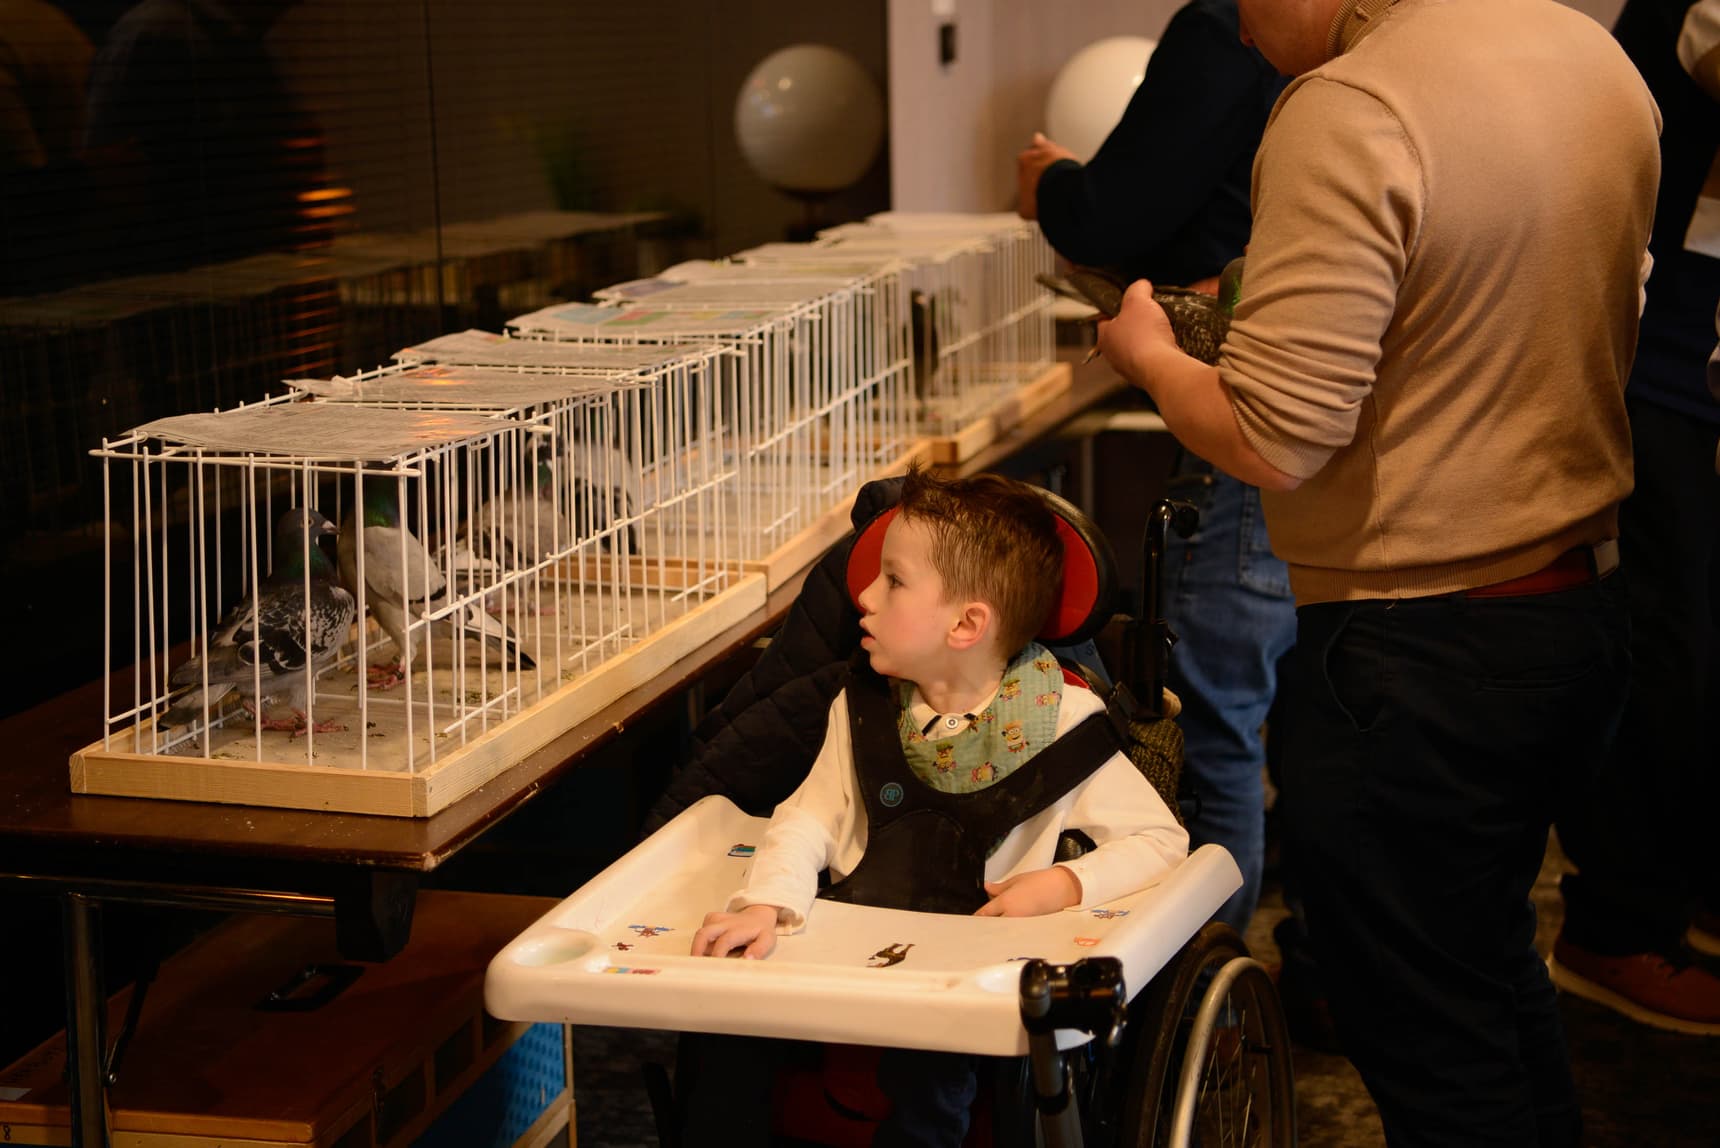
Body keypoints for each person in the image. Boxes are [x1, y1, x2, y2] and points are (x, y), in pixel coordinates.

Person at [1093, 0, 1658, 1144]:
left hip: (1417, 651)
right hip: (1576, 607)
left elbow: (1273, 438)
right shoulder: (1585, 53)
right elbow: (1527, 296)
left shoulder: (1350, 105)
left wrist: (1149, 355)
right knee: (1487, 979)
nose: (1237, 23)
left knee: (1432, 1044)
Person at [689, 465, 1188, 1147]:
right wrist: (767, 904)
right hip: (852, 949)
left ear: (966, 624)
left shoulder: (1066, 724)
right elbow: (806, 820)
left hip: (971, 976)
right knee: (724, 1030)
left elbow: (1162, 841)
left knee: (930, 1061)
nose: (863, 596)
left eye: (893, 581)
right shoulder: (860, 708)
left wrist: (1064, 883)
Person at [1017, 0, 1290, 942]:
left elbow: (1118, 212)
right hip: (1321, 444)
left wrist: (1056, 186)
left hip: (1246, 420)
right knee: (1301, 721)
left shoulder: (1232, 29)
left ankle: (1206, 970)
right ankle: (1288, 971)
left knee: (1211, 722)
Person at [1549, 0, 1720, 1036]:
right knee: (1663, 651)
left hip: (1683, 365)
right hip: (1659, 370)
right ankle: (1617, 922)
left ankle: (1685, 890)